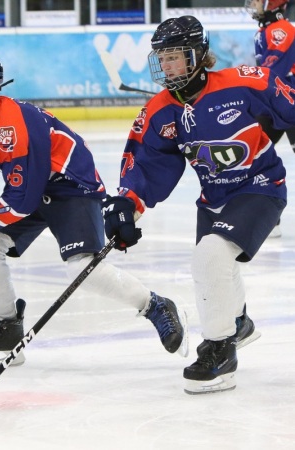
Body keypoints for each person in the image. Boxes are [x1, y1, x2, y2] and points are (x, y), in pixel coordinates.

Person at [0, 51, 189, 369]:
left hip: (72, 189)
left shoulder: (11, 125)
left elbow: (21, 199)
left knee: (83, 269)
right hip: (37, 187)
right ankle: (7, 329)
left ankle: (154, 305)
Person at [103, 15, 294, 394]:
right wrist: (127, 204)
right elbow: (147, 164)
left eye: (177, 57)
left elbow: (288, 105)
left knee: (210, 257)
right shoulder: (161, 111)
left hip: (259, 186)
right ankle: (237, 322)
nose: (169, 66)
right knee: (215, 269)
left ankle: (221, 349)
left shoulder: (242, 82)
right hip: (213, 200)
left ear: (200, 54)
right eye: (164, 58)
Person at [245, 0, 295, 237]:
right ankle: (269, 219)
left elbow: (271, 69)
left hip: (291, 102)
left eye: (257, 0)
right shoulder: (263, 31)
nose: (252, 4)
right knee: (255, 155)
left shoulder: (281, 29)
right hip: (277, 104)